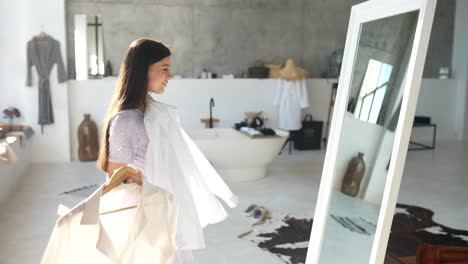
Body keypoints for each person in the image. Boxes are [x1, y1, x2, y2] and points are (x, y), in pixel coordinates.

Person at [97, 38, 238, 263]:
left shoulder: (156, 113)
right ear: (142, 70)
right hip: (146, 224)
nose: (170, 76)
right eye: (164, 69)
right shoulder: (127, 121)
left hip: (167, 214)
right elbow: (114, 185)